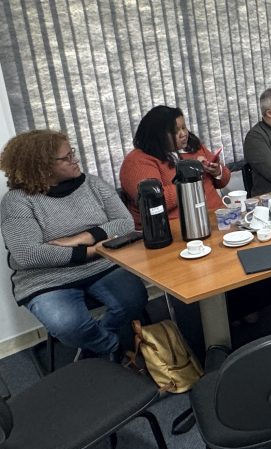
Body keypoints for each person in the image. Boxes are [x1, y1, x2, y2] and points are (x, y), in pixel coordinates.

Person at [0, 130, 148, 361]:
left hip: (102, 265)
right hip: (46, 278)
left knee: (134, 299)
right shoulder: (17, 201)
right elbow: (29, 254)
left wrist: (82, 238)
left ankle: (94, 348)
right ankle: (112, 346)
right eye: (66, 157)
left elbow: (124, 222)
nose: (75, 160)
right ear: (42, 167)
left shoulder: (92, 184)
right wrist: (91, 250)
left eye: (73, 153)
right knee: (68, 325)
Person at [120, 105, 228, 228]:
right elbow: (154, 200)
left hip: (217, 217)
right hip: (177, 227)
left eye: (184, 127)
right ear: (157, 135)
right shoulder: (137, 161)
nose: (183, 134)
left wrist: (217, 171)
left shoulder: (193, 147)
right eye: (175, 131)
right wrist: (192, 175)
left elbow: (224, 180)